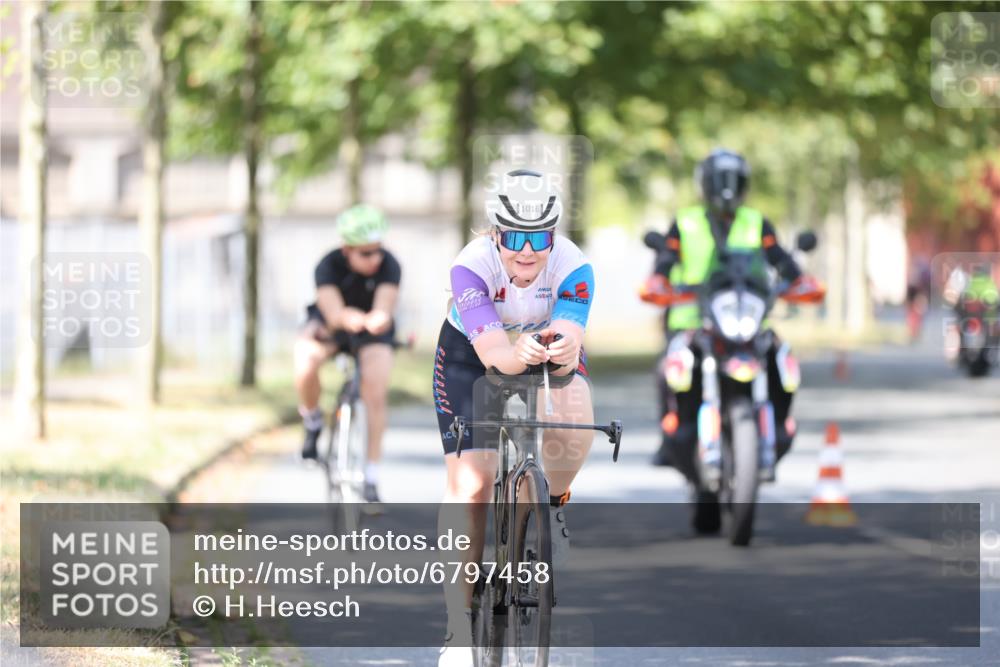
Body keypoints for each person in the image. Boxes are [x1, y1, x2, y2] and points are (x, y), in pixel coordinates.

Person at [434, 169, 595, 667]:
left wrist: (563, 350)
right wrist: (517, 351)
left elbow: (569, 340)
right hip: (473, 356)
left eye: (540, 238)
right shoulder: (471, 267)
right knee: (473, 483)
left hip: (542, 351)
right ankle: (459, 630)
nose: (527, 251)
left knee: (572, 419)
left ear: (554, 235)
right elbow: (495, 357)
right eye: (515, 238)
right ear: (495, 233)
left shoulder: (573, 266)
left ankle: (552, 504)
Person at [643, 149, 805, 532]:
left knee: (781, 356)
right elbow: (665, 262)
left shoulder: (756, 222)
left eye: (734, 181)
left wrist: (798, 279)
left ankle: (780, 422)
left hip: (745, 319)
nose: (727, 190)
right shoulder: (685, 222)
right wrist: (661, 282)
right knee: (665, 371)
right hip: (692, 320)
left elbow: (780, 259)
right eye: (720, 181)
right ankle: (670, 438)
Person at [293, 204, 400, 503]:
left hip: (372, 331)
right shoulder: (326, 266)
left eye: (378, 250)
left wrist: (377, 318)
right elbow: (334, 311)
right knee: (305, 358)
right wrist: (346, 318)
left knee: (375, 389)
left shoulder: (390, 264)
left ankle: (372, 474)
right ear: (347, 249)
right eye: (366, 253)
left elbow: (384, 307)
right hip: (332, 325)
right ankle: (312, 419)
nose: (375, 259)